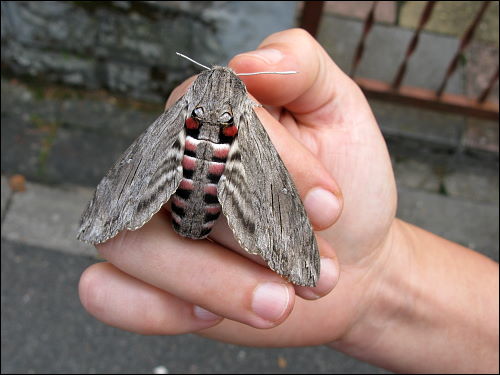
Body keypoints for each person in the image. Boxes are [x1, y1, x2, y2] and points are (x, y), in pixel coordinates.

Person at [78, 29, 499, 373]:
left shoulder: (187, 114)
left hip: (193, 201)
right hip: (219, 205)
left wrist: (373, 276)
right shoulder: (244, 113)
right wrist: (376, 278)